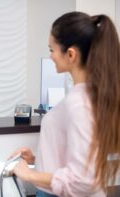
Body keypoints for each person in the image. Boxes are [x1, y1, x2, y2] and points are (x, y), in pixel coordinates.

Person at [10, 12, 120, 196]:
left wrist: (28, 174)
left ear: (70, 54)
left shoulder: (79, 103)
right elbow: (83, 160)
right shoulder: (92, 95)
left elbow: (84, 180)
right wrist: (38, 161)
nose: (51, 56)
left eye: (52, 50)